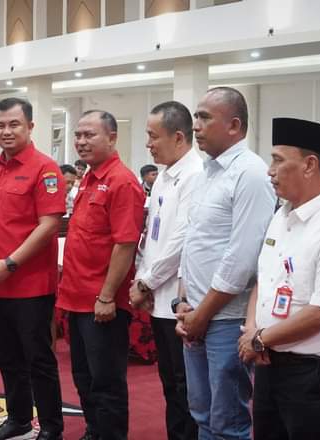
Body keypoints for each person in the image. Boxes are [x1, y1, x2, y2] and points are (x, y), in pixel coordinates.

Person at [237, 118, 320, 440]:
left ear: (310, 165)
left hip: (312, 374)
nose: (270, 171)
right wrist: (254, 331)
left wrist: (261, 339)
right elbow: (264, 281)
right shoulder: (281, 216)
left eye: (278, 160)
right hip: (268, 361)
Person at [175, 87, 275, 440]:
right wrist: (183, 302)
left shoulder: (250, 173)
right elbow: (194, 242)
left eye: (204, 118)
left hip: (226, 318)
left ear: (234, 125)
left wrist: (202, 314)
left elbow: (243, 258)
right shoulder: (207, 172)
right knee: (202, 413)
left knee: (227, 421)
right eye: (195, 117)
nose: (195, 126)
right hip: (195, 313)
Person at [0, 97, 65, 440]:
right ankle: (19, 418)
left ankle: (52, 427)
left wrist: (10, 263)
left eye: (14, 124)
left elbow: (49, 225)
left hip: (30, 284)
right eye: (0, 125)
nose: (6, 131)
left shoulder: (45, 169)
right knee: (7, 356)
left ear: (30, 126)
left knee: (38, 358)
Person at [57, 110, 145, 440]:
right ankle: (94, 431)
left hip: (102, 302)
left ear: (112, 137)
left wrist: (107, 296)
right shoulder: (89, 178)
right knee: (84, 376)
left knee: (106, 381)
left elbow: (125, 244)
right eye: (78, 135)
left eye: (89, 135)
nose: (81, 141)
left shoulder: (122, 181)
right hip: (77, 297)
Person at [128, 101, 201, 440]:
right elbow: (152, 238)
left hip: (182, 299)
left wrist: (147, 282)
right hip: (159, 296)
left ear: (179, 137)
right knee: (170, 381)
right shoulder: (163, 178)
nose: (148, 144)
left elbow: (181, 240)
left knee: (187, 385)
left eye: (153, 136)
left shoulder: (195, 176)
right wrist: (143, 280)